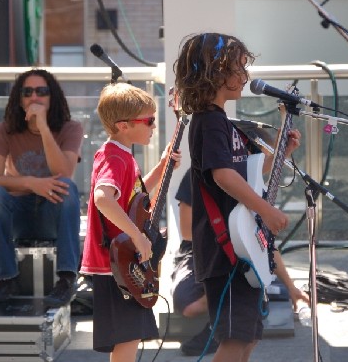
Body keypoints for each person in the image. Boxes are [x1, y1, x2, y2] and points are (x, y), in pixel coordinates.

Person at [174, 32, 302, 362]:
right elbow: (224, 176)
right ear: (216, 71)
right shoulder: (210, 122)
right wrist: (267, 211)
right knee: (234, 341)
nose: (246, 77)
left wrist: (282, 151)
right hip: (225, 250)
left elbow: (247, 174)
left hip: (237, 247)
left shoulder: (222, 124)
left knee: (247, 338)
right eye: (240, 68)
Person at [80, 82, 181, 360]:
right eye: (148, 121)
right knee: (127, 337)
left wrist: (161, 168)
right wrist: (137, 236)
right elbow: (103, 198)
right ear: (123, 125)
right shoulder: (113, 157)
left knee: (130, 336)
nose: (153, 126)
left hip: (120, 260)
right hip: (115, 262)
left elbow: (133, 199)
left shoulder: (123, 155)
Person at [171, 168, 310, 356]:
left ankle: (225, 314)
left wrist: (291, 288)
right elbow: (187, 233)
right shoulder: (200, 173)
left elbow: (265, 244)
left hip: (238, 258)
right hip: (200, 251)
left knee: (248, 338)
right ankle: (220, 311)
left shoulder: (250, 176)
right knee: (191, 306)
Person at [0, 68, 83, 308]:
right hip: (17, 216)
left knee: (66, 186)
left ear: (52, 97)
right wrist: (31, 183)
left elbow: (64, 172)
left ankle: (67, 279)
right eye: (27, 92)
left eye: (41, 92)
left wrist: (44, 128)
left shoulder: (70, 128)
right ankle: (8, 278)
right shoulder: (3, 130)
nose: (34, 98)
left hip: (51, 215)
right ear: (20, 99)